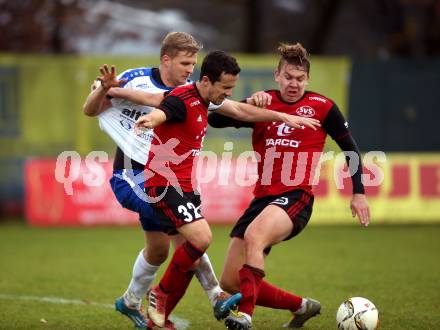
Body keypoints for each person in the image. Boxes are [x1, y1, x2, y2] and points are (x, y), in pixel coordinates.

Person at [117, 50, 321, 328]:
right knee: (201, 238)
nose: (228, 93)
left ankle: (159, 318)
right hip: (163, 184)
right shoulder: (183, 99)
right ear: (206, 81)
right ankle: (161, 295)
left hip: (184, 187)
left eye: (231, 88)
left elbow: (242, 110)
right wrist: (149, 120)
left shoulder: (206, 99)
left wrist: (282, 117)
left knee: (191, 252)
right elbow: (163, 111)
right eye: (224, 87)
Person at [206, 42, 371, 329]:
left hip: (297, 196)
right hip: (262, 199)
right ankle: (303, 306)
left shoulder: (323, 107)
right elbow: (214, 120)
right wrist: (248, 103)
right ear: (277, 75)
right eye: (288, 77)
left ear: (307, 79)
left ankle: (245, 317)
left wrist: (359, 192)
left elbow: (351, 149)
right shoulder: (265, 103)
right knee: (231, 281)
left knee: (255, 236)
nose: (294, 84)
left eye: (300, 78)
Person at [82, 32, 241, 330]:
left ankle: (130, 301)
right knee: (190, 235)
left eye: (193, 63)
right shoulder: (135, 79)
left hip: (167, 180)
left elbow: (235, 109)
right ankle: (216, 296)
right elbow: (91, 109)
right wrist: (104, 89)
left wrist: (277, 115)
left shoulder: (193, 93)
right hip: (132, 177)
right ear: (166, 59)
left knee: (159, 250)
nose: (190, 69)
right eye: (185, 62)